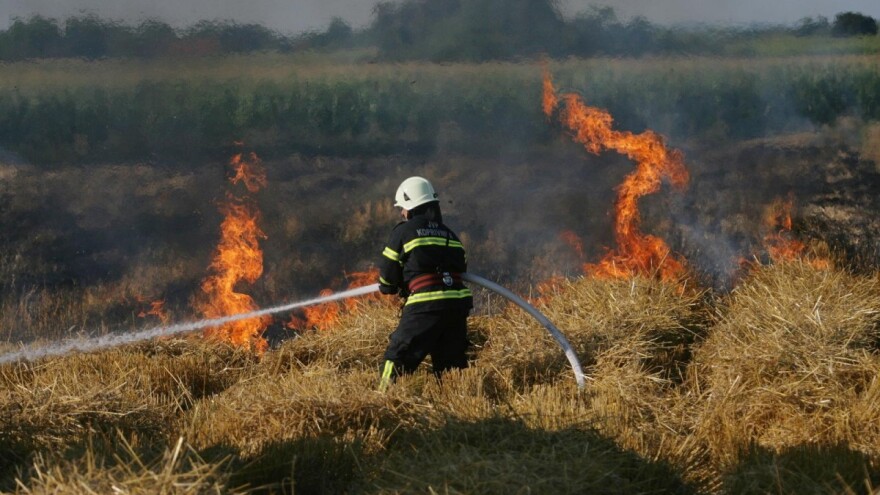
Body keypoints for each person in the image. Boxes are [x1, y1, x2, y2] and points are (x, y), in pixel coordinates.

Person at [377, 176, 473, 391]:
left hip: (425, 306)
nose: (401, 213)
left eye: (402, 208)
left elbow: (387, 276)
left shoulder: (404, 231)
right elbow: (462, 267)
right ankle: (456, 406)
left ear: (410, 206)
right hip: (457, 306)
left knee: (397, 357)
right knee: (451, 366)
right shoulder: (450, 234)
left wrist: (391, 287)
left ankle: (381, 401)